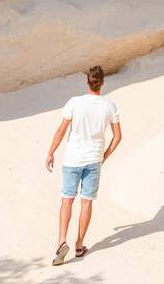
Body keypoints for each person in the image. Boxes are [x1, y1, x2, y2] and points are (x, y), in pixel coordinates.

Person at [45, 64, 122, 264]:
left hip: (73, 159)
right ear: (102, 83)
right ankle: (79, 245)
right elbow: (118, 137)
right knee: (86, 202)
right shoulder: (109, 106)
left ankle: (62, 241)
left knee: (67, 200)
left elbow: (61, 130)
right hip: (94, 159)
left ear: (87, 82)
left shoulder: (75, 102)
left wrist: (51, 152)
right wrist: (104, 156)